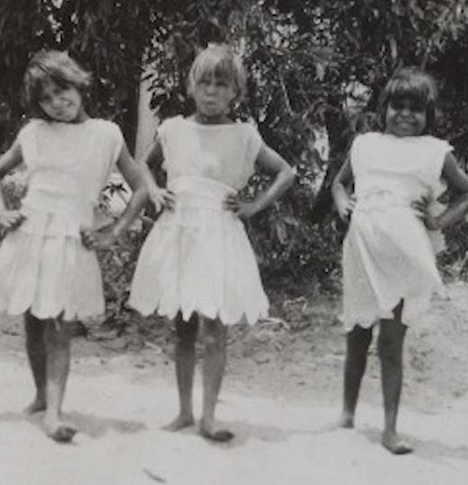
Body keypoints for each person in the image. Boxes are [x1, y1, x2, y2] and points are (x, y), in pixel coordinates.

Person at [0, 50, 157, 443]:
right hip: (30, 232)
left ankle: (56, 415)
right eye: (46, 98)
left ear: (78, 83)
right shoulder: (34, 133)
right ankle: (42, 396)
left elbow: (142, 187)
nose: (57, 103)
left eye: (62, 91)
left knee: (59, 325)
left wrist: (115, 229)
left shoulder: (106, 134)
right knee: (32, 319)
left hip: (70, 236)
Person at [128, 44, 295, 442]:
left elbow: (286, 172)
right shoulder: (173, 130)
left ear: (235, 92)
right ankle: (185, 411)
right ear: (192, 86)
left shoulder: (243, 135)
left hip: (219, 235)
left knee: (215, 326)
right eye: (205, 82)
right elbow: (141, 164)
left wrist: (255, 206)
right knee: (182, 326)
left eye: (222, 84)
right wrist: (152, 190)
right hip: (180, 231)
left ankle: (209, 416)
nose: (212, 92)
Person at [331, 67, 468, 454]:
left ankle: (390, 429)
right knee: (357, 334)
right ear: (384, 108)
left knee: (391, 341)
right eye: (398, 105)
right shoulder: (365, 144)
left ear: (428, 114)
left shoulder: (435, 151)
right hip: (362, 247)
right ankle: (347, 413)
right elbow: (338, 182)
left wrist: (437, 219)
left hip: (402, 251)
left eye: (416, 108)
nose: (406, 115)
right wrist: (342, 201)